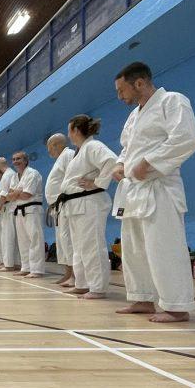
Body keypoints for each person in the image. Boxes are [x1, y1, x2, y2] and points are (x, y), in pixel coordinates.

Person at [111, 62, 195, 322]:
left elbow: (187, 138)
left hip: (160, 188)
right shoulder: (134, 116)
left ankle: (176, 306)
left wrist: (149, 162)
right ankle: (142, 298)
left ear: (139, 83)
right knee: (134, 249)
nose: (120, 97)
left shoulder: (172, 101)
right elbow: (127, 149)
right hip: (133, 191)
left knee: (164, 247)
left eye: (121, 90)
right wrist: (119, 163)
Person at [61, 114, 117, 300]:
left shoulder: (93, 146)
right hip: (76, 204)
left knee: (92, 245)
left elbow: (112, 161)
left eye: (69, 130)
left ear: (76, 130)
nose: (68, 135)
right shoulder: (80, 150)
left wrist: (98, 182)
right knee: (79, 247)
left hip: (90, 202)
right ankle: (82, 283)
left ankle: (98, 287)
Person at [7, 151, 46, 278]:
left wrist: (16, 192)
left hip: (32, 209)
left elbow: (27, 194)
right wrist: (18, 192)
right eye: (13, 159)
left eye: (18, 159)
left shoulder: (32, 173)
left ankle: (37, 269)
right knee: (23, 241)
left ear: (25, 160)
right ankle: (26, 267)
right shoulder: (14, 177)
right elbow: (10, 197)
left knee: (35, 239)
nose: (15, 161)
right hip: (19, 210)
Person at [45, 133, 77, 286]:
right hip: (57, 207)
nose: (48, 151)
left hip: (65, 204)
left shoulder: (68, 155)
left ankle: (75, 275)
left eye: (49, 147)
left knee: (68, 240)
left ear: (56, 144)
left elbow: (72, 178)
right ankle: (68, 273)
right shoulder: (60, 159)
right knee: (62, 242)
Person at [0, 158, 20, 271]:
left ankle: (9, 264)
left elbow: (4, 195)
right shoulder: (7, 174)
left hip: (7, 208)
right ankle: (7, 262)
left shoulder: (8, 174)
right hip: (3, 209)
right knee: (5, 238)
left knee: (8, 237)